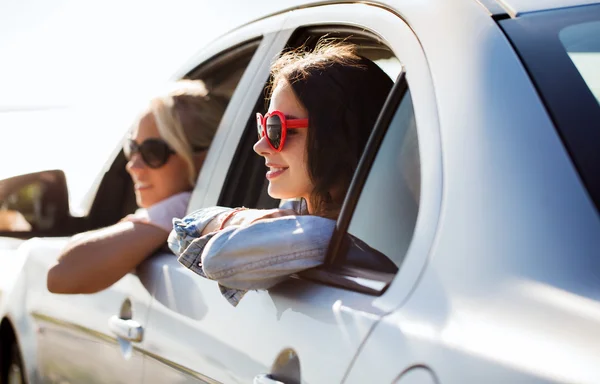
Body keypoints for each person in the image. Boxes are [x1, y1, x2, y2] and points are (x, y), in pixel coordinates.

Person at [168, 42, 397, 306]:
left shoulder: (325, 234)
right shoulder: (300, 209)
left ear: (338, 135)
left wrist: (257, 222)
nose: (260, 146)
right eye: (262, 126)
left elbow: (216, 257)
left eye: (277, 128)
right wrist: (254, 217)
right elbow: (182, 232)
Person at [47, 80, 226, 294]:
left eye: (153, 152)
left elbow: (62, 274)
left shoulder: (188, 213)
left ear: (205, 159)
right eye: (133, 148)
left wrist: (172, 211)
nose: (133, 165)